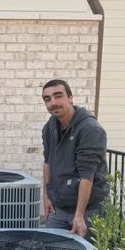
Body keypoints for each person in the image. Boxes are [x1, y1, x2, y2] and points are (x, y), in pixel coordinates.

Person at [41, 79, 109, 239]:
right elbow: (47, 162)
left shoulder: (90, 129)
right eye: (47, 99)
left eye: (58, 96)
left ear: (70, 98)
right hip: (59, 208)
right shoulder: (50, 127)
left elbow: (87, 175)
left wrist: (79, 215)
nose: (53, 103)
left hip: (88, 211)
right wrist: (46, 196)